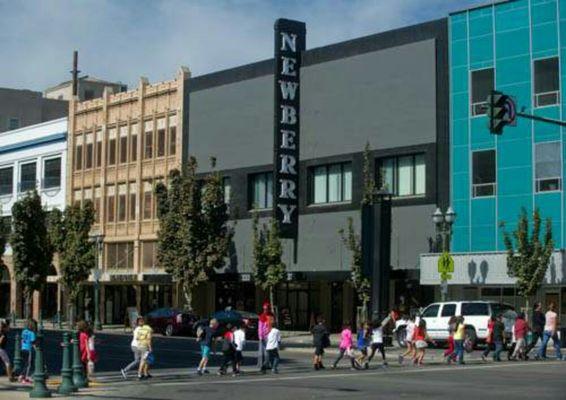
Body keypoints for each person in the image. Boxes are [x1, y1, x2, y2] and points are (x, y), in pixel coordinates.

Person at [18, 319, 37, 384]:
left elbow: (22, 340)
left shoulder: (24, 331)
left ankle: (23, 377)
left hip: (23, 349)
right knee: (28, 365)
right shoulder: (32, 333)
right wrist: (37, 350)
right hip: (28, 350)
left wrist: (21, 347)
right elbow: (33, 343)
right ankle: (23, 377)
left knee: (25, 364)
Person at [257, 302, 274, 369]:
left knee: (269, 351)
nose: (265, 310)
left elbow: (273, 325)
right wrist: (260, 336)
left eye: (266, 309)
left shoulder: (271, 315)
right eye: (264, 309)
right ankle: (262, 365)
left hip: (270, 336)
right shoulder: (262, 316)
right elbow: (260, 327)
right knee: (262, 351)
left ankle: (267, 364)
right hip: (264, 336)